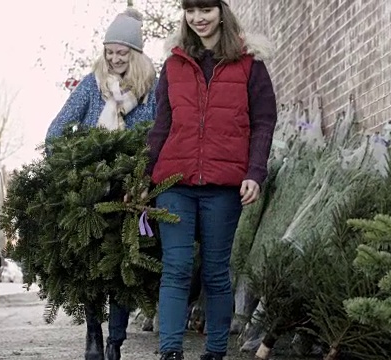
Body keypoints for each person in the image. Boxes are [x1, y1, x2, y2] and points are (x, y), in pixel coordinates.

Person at [145, 0, 278, 359]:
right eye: (191, 11)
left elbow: (264, 121)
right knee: (176, 267)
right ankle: (170, 351)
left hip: (224, 185)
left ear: (221, 11)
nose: (198, 18)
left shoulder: (250, 64)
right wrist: (144, 176)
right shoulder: (173, 64)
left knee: (217, 271)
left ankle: (216, 350)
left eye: (205, 9)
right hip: (175, 181)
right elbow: (161, 124)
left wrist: (255, 173)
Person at [45, 8, 157, 360]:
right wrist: (71, 168)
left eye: (122, 53)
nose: (114, 59)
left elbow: (156, 135)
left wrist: (143, 174)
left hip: (131, 191)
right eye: (109, 52)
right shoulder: (91, 85)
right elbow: (56, 129)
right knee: (93, 266)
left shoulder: (150, 91)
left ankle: (115, 343)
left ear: (136, 55)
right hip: (93, 192)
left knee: (123, 268)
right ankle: (94, 335)